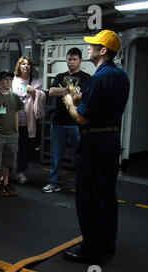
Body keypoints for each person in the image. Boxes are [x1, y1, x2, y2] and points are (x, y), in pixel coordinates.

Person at [62, 30, 130, 264]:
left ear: (103, 51)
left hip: (94, 143)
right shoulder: (119, 75)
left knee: (89, 197)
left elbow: (82, 118)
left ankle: (91, 249)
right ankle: (107, 243)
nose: (88, 49)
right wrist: (82, 97)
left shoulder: (99, 78)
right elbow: (101, 104)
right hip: (110, 141)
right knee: (107, 195)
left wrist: (71, 103)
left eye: (93, 46)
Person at [43, 48, 91, 193]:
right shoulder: (60, 75)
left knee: (81, 155)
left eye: (74, 59)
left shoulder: (87, 78)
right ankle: (54, 182)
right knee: (56, 154)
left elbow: (84, 95)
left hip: (77, 123)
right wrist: (72, 90)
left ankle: (82, 183)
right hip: (58, 122)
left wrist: (63, 90)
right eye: (69, 59)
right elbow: (51, 92)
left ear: (80, 60)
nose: (71, 62)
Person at [0, 72, 22, 197]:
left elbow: (17, 113)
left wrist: (16, 129)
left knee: (9, 160)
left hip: (12, 134)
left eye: (10, 80)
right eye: (5, 80)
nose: (8, 82)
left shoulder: (15, 97)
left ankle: (5, 182)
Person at [12, 56, 45, 184]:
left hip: (27, 121)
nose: (26, 66)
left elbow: (41, 98)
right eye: (23, 64)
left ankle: (21, 172)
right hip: (13, 120)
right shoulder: (13, 81)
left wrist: (35, 93)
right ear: (19, 67)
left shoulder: (35, 82)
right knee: (11, 147)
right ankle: (6, 172)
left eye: (28, 64)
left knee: (24, 148)